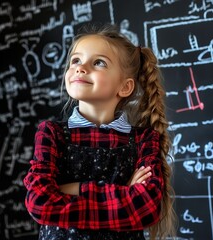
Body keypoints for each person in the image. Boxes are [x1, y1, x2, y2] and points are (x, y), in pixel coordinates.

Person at [23, 23, 177, 240]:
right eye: (76, 60)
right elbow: (40, 203)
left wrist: (68, 189)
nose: (80, 67)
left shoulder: (144, 139)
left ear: (124, 87)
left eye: (98, 62)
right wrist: (123, 192)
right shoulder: (51, 134)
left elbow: (146, 207)